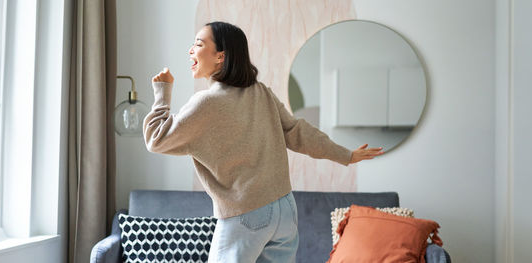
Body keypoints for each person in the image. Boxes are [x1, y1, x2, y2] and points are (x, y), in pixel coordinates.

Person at [143, 21, 384, 263]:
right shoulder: (261, 92)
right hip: (285, 209)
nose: (191, 50)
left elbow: (156, 139)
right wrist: (346, 155)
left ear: (220, 57)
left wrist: (162, 92)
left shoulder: (206, 103)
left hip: (246, 214)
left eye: (198, 44)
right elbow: (298, 132)